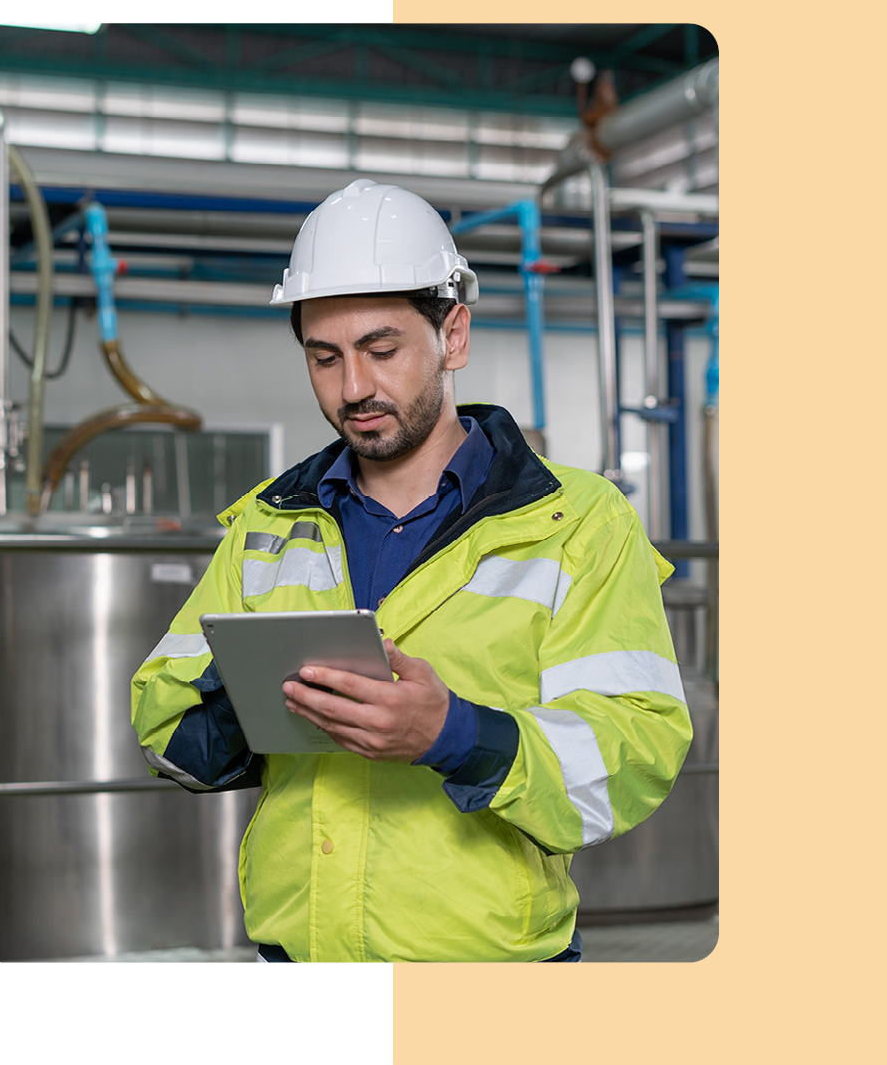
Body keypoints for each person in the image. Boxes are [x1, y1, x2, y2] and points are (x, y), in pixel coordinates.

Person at [131, 178, 692, 964]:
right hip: (299, 952)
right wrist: (267, 707)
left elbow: (635, 751)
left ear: (453, 336)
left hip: (492, 974)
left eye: (381, 350)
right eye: (324, 358)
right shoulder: (268, 522)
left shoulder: (578, 523)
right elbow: (165, 727)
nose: (352, 387)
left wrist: (453, 734)